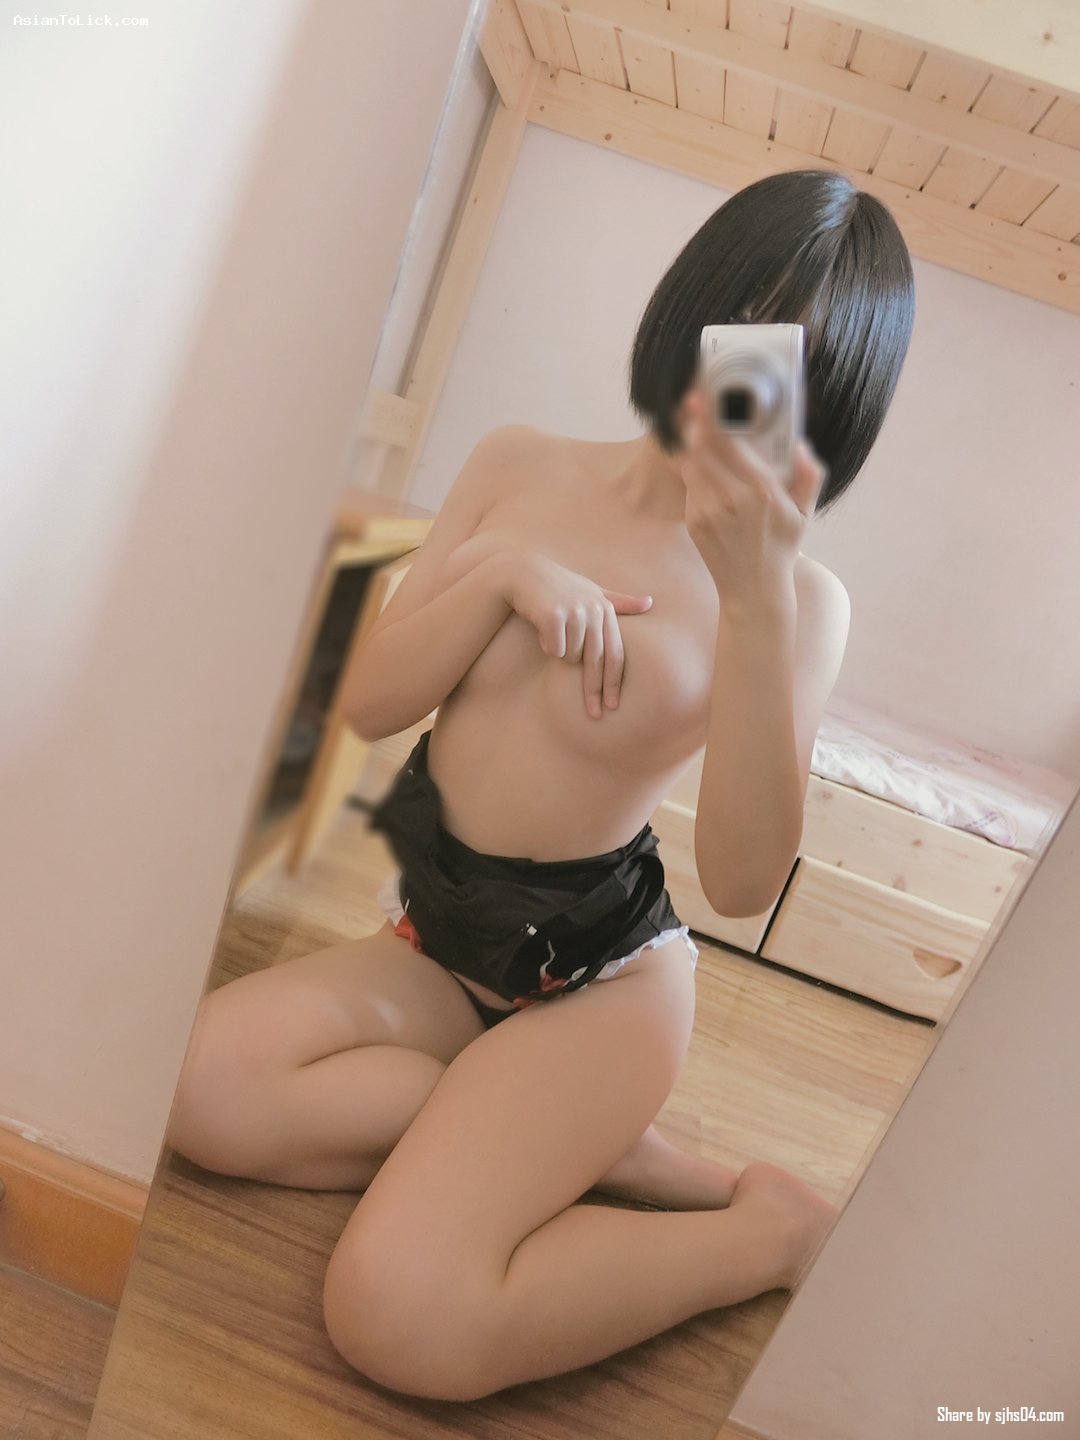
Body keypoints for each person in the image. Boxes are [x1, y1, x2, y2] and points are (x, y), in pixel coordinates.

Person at [166, 167, 916, 1401]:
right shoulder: (518, 464)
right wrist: (504, 574)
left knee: (400, 1315)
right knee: (202, 1090)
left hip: (599, 990)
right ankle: (577, 1146)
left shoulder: (801, 602)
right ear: (695, 303)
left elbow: (740, 883)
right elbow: (368, 706)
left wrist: (754, 603)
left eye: (800, 364)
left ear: (834, 402)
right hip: (436, 942)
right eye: (745, 320)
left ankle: (769, 1235)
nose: (745, 378)